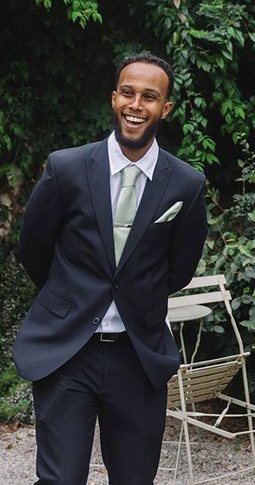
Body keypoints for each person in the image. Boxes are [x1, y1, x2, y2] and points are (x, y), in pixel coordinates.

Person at [13, 52, 208, 484]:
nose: (136, 105)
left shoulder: (186, 185)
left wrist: (133, 299)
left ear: (166, 108)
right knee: (60, 479)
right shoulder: (66, 168)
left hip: (137, 356)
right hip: (67, 352)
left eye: (149, 97)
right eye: (128, 92)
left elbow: (180, 269)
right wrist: (72, 297)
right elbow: (34, 249)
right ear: (114, 97)